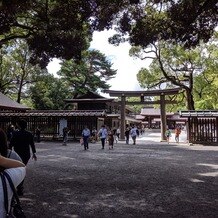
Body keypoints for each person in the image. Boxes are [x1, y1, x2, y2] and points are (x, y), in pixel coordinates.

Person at [9, 119, 37, 196]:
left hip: (17, 154)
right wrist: (34, 153)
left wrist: (9, 153)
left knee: (16, 169)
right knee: (22, 168)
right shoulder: (29, 134)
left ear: (19, 125)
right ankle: (20, 187)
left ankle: (17, 186)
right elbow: (32, 144)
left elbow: (10, 144)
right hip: (26, 154)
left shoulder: (15, 133)